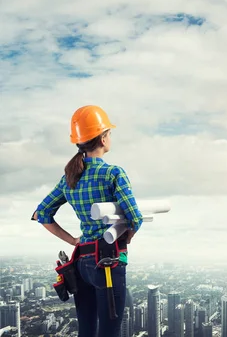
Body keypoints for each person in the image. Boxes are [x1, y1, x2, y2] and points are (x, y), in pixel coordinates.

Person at [33, 105, 143, 337]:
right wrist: (128, 234)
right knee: (109, 332)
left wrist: (73, 240)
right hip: (107, 262)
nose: (110, 137)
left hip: (81, 262)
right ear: (103, 138)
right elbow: (135, 217)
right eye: (109, 133)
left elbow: (41, 213)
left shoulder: (70, 178)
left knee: (87, 331)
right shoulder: (114, 173)